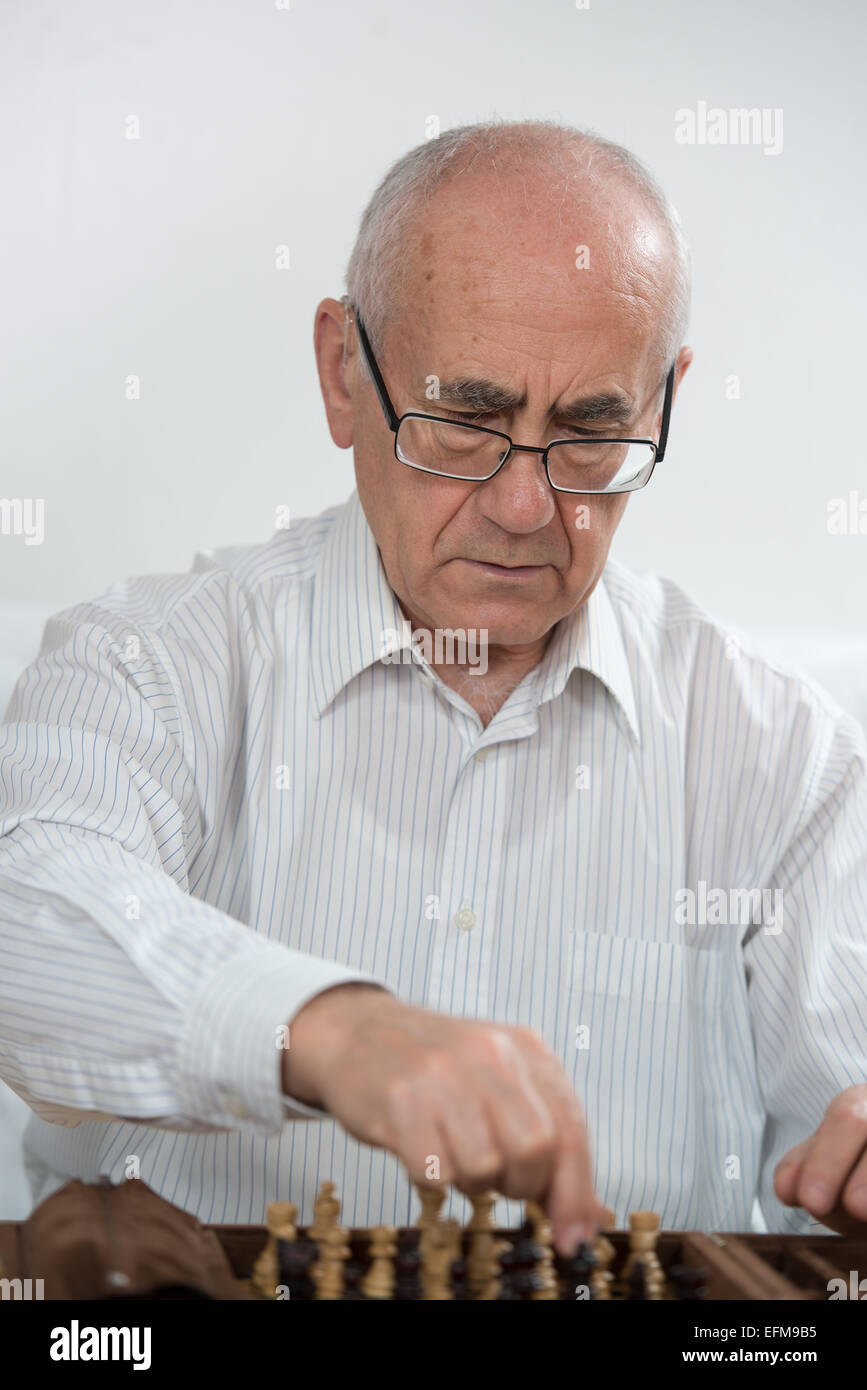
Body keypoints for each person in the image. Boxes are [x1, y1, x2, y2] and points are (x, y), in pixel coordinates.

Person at [1, 121, 865, 1252]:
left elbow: (847, 1114)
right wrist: (324, 1030)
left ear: (664, 404)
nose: (525, 507)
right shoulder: (148, 665)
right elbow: (29, 914)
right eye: (464, 421)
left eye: (593, 433)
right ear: (343, 374)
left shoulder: (785, 755)